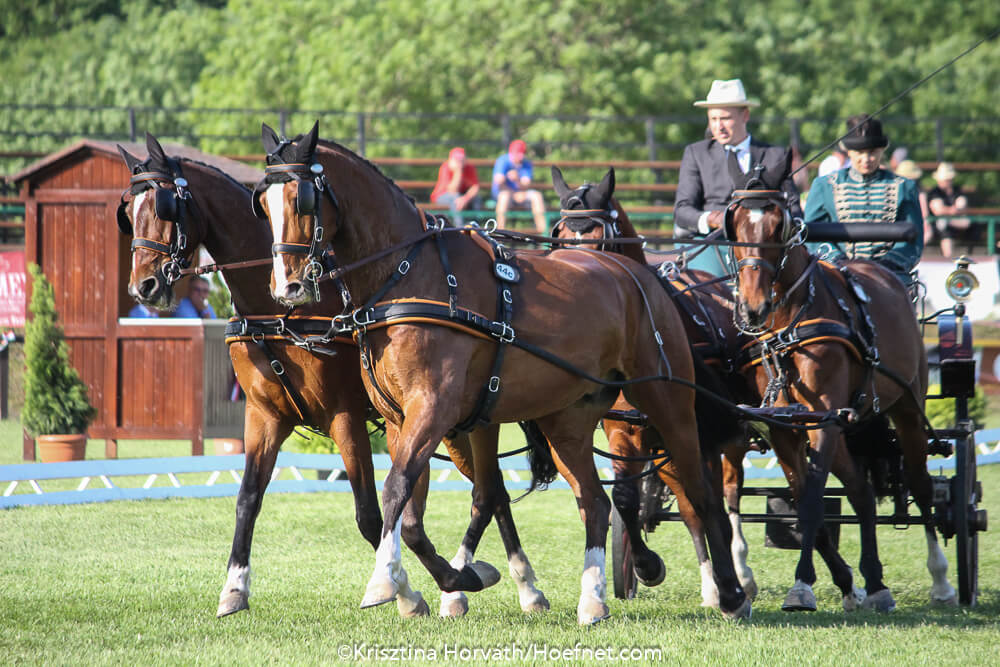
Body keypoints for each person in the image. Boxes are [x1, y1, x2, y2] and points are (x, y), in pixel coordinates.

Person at [674, 78, 803, 276]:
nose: (719, 126)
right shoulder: (696, 154)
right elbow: (682, 210)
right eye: (713, 119)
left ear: (745, 115)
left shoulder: (775, 156)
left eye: (725, 118)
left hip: (763, 247)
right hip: (713, 243)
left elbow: (794, 208)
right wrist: (711, 218)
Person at [803, 115, 924, 285]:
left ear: (882, 150)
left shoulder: (904, 187)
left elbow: (914, 239)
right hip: (837, 275)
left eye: (872, 152)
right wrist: (837, 260)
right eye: (859, 153)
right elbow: (811, 235)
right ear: (849, 152)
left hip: (890, 276)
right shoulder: (824, 186)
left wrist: (889, 264)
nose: (866, 159)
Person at [492, 139, 547, 233]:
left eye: (522, 153)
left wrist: (517, 180)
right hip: (504, 194)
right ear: (511, 153)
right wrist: (506, 177)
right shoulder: (503, 160)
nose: (521, 156)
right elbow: (498, 182)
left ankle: (544, 232)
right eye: (518, 153)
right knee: (504, 196)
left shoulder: (526, 164)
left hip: (520, 194)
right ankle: (500, 232)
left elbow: (525, 185)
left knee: (536, 196)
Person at [928, 162, 973, 258]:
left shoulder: (957, 190)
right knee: (945, 231)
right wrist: (953, 210)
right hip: (938, 224)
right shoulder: (935, 192)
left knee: (969, 224)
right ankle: (948, 259)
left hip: (953, 222)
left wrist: (948, 211)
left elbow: (962, 206)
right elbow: (938, 211)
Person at [430, 147, 480, 227]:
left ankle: (476, 227)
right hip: (441, 196)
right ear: (451, 160)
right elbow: (453, 190)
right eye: (457, 159)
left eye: (461, 159)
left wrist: (466, 198)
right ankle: (460, 228)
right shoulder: (446, 167)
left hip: (461, 195)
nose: (459, 162)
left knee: (476, 199)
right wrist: (458, 171)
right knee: (456, 199)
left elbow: (475, 187)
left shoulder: (469, 167)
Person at [894, 159, 932, 246]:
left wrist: (925, 225)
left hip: (914, 225)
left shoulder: (920, 193)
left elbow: (924, 214)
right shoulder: (894, 191)